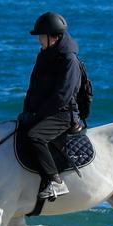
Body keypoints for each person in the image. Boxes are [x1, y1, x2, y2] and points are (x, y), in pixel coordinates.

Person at [19, 11, 82, 202]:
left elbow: (62, 97)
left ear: (53, 37)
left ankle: (55, 181)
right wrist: (27, 112)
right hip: (46, 112)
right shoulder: (45, 55)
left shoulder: (69, 61)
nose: (39, 40)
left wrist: (37, 115)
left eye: (41, 36)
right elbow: (34, 88)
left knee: (35, 136)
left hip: (64, 114)